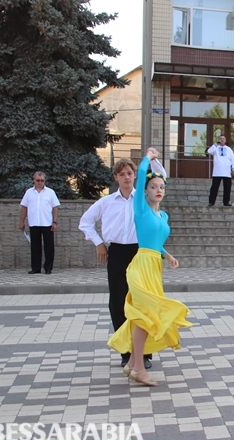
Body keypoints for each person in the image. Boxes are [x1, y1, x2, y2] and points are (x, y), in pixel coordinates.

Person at [107, 149, 191, 386]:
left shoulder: (162, 216)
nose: (158, 190)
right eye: (153, 187)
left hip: (154, 265)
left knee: (145, 316)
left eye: (161, 187)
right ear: (145, 191)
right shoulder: (141, 209)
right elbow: (142, 172)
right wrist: (147, 158)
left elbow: (155, 242)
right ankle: (139, 368)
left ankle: (133, 365)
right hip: (141, 264)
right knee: (145, 316)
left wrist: (168, 256)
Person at [79, 158, 152, 370]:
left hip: (140, 253)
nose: (127, 177)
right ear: (116, 177)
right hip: (117, 252)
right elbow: (85, 222)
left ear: (134, 175)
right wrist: (98, 243)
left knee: (142, 303)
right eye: (122, 174)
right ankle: (125, 351)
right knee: (118, 303)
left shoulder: (144, 199)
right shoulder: (107, 202)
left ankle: (144, 353)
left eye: (130, 173)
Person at [19, 172, 60, 274]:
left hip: (47, 224)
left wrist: (55, 222)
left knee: (49, 247)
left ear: (44, 181)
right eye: (38, 180)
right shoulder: (29, 192)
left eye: (42, 180)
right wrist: (21, 221)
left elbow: (55, 208)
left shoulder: (50, 192)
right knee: (35, 247)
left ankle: (48, 268)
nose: (40, 182)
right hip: (34, 223)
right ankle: (36, 268)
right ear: (34, 180)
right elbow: (24, 207)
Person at [207, 135, 234, 206]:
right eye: (220, 139)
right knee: (214, 187)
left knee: (227, 188)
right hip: (217, 172)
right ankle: (211, 202)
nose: (222, 140)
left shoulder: (229, 149)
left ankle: (226, 202)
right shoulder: (216, 148)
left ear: (225, 141)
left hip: (227, 172)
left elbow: (233, 159)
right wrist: (215, 144)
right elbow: (209, 151)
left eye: (223, 139)